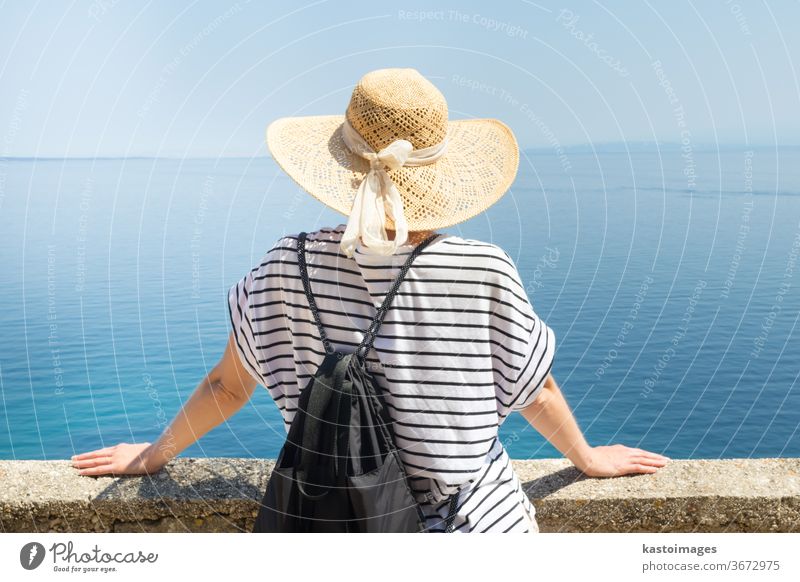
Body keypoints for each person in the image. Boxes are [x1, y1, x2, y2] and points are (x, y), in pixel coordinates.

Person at [71, 68, 669, 532]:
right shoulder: (484, 270)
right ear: (440, 174)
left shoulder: (285, 265)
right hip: (477, 531)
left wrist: (155, 453)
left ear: (344, 166)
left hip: (341, 529)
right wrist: (586, 457)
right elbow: (534, 389)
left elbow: (229, 385)